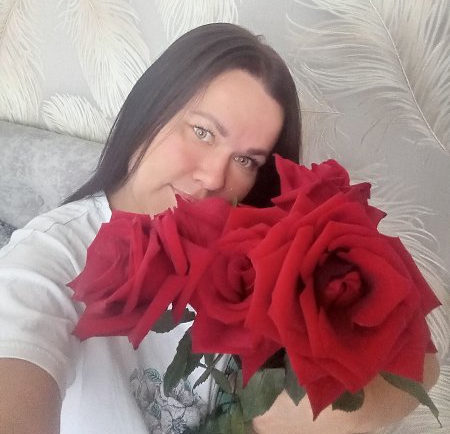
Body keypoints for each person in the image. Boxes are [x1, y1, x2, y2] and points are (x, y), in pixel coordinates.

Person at [0, 23, 439, 434]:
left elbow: (423, 366)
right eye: (203, 132)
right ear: (148, 111)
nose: (213, 178)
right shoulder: (49, 257)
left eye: (246, 160)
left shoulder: (253, 247)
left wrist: (275, 416)